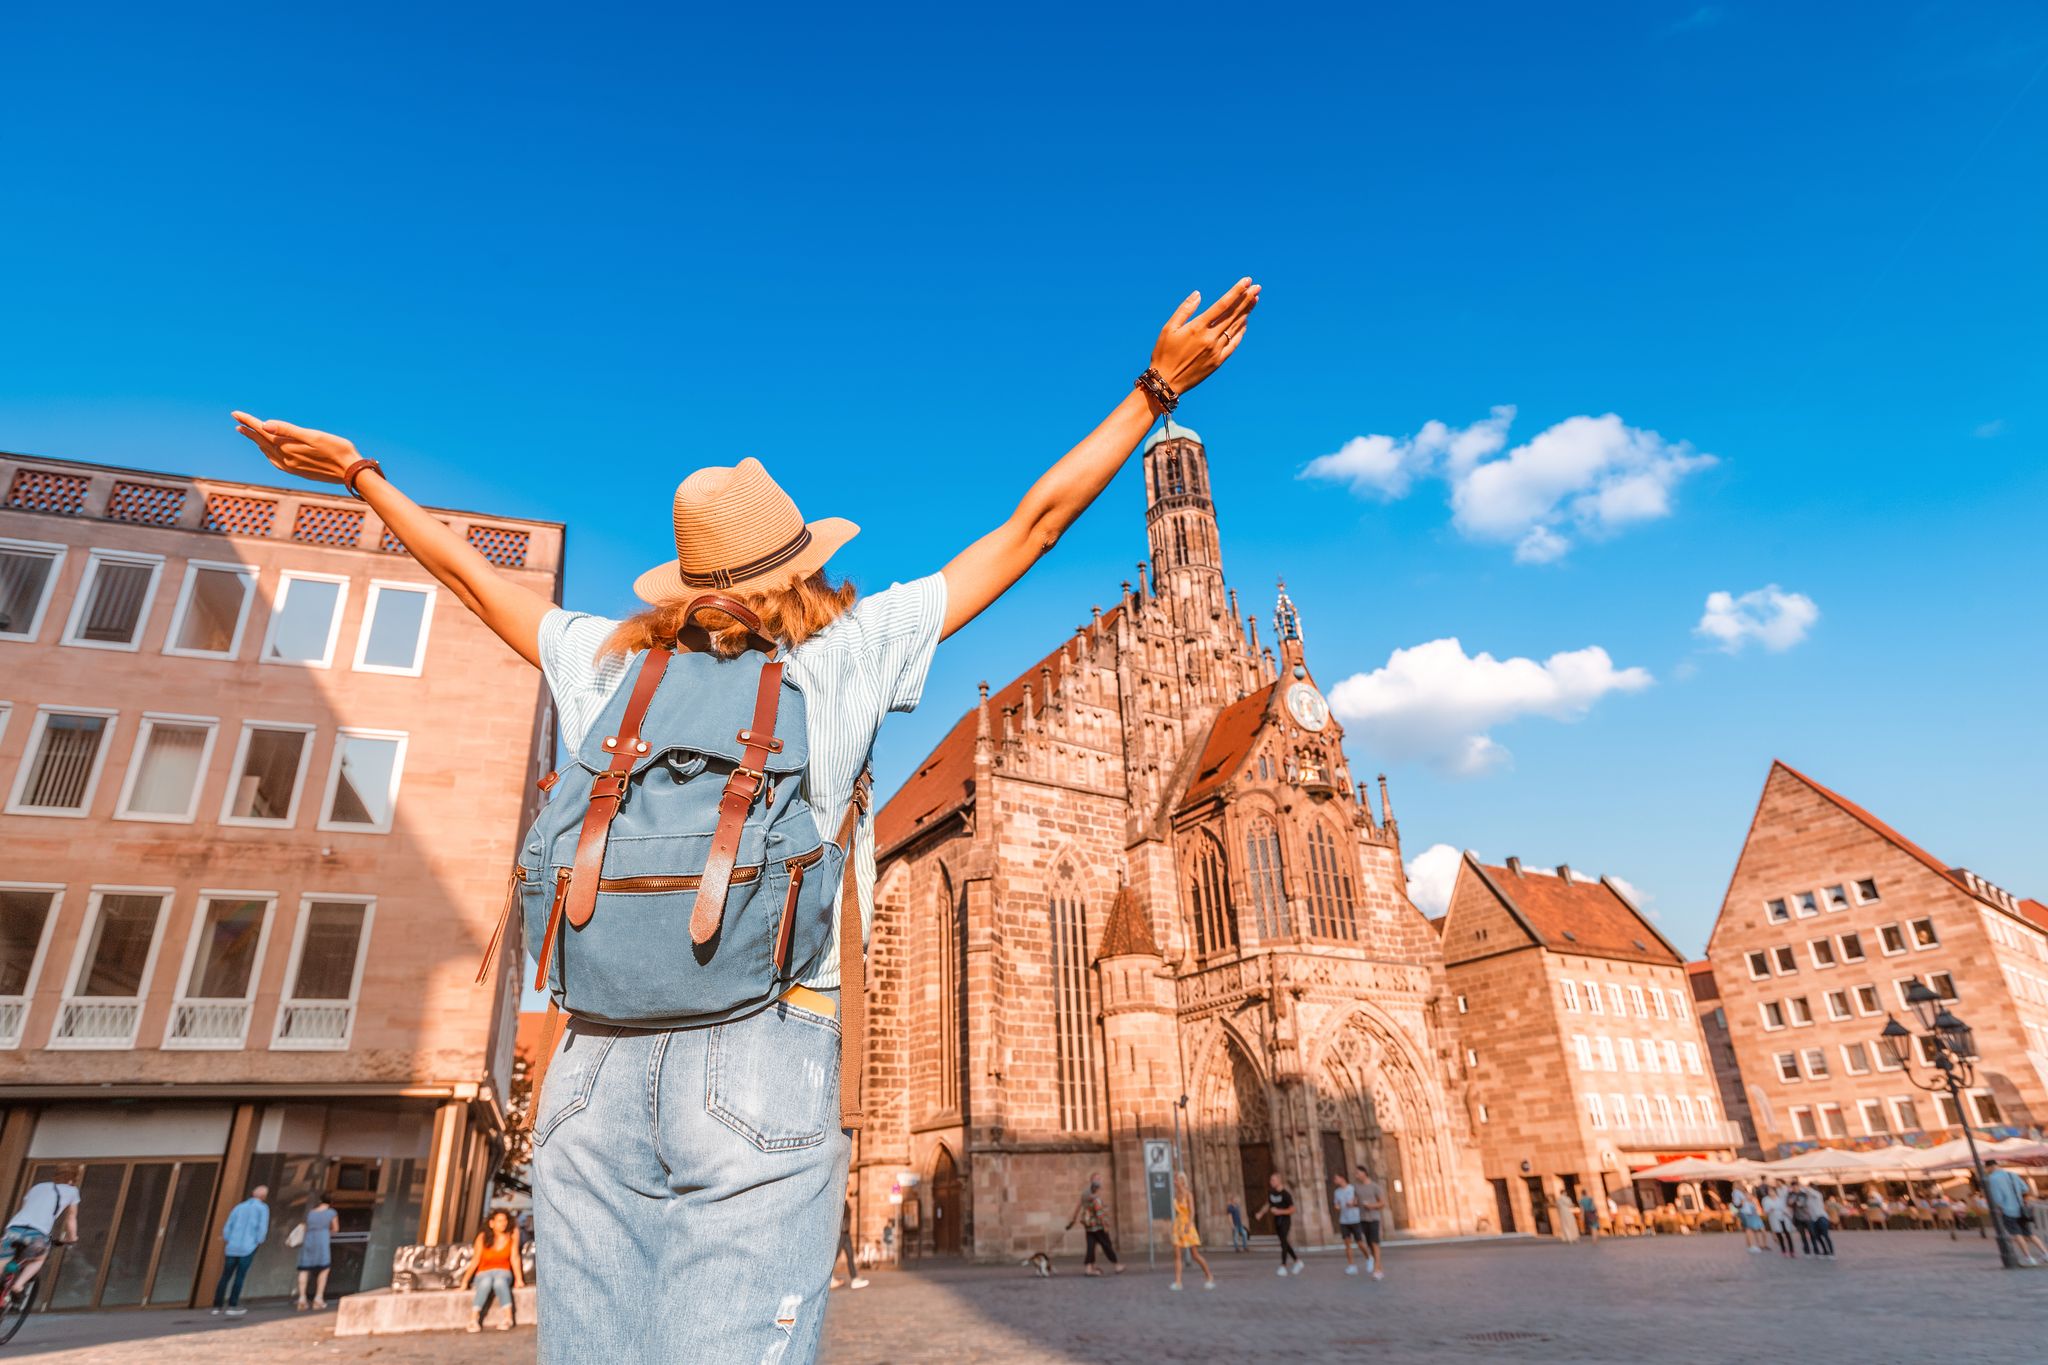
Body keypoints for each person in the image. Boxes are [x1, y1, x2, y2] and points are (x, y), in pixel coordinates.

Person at [235, 278, 1257, 1365]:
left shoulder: (605, 667)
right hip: (759, 1053)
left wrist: (358, 476)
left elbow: (464, 577)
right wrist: (1155, 389)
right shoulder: (843, 654)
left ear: (686, 584)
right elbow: (1034, 525)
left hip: (590, 1070)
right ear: (796, 568)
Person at [1, 1165, 82, 1299]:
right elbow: (71, 1217)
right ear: (73, 1178)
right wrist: (72, 1237)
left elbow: (26, 1208)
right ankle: (18, 1285)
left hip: (14, 1228)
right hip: (37, 1232)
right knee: (39, 1258)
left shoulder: (37, 1187)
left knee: (2, 1259)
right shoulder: (72, 1191)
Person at [460, 1209, 526, 1332]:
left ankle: (508, 1318)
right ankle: (473, 1319)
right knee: (486, 1282)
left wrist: (519, 1279)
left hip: (503, 1272)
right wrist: (465, 1282)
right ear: (492, 1223)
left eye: (505, 1220)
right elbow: (475, 1260)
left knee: (499, 1282)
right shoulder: (483, 1237)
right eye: (499, 1221)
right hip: (484, 1272)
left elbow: (515, 1257)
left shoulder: (512, 1234)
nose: (503, 1223)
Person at [212, 1184, 269, 1317]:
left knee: (225, 1276)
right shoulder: (262, 1208)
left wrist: (229, 1239)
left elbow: (228, 1226)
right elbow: (262, 1228)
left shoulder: (239, 1207)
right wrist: (259, 1241)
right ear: (264, 1196)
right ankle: (232, 1305)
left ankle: (217, 1305)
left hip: (232, 1246)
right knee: (240, 1276)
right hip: (248, 1246)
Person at [1984, 1160, 2048, 1266]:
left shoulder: (1993, 1179)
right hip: (2021, 1210)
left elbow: (1997, 1198)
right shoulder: (2012, 1174)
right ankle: (2045, 1253)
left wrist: (2000, 1206)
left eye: (1987, 1169)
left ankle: (2029, 1257)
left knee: (2017, 1235)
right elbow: (2025, 1188)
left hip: (2008, 1210)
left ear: (1989, 1167)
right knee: (2030, 1234)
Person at [1067, 1174, 1124, 1276]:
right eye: (1098, 1179)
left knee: (1091, 1246)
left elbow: (1079, 1205)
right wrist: (1105, 1225)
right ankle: (1117, 1265)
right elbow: (1099, 1213)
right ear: (1094, 1182)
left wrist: (1073, 1219)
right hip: (1098, 1225)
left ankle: (1089, 1268)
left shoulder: (1085, 1193)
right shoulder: (1095, 1197)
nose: (1100, 1180)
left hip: (1089, 1225)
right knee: (1107, 1244)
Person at [1168, 1174, 1214, 1292]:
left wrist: (1189, 1224)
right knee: (1177, 1255)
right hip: (1178, 1226)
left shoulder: (1188, 1194)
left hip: (1187, 1225)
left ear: (1182, 1181)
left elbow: (1192, 1211)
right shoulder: (1175, 1194)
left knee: (1195, 1255)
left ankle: (1209, 1276)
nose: (1174, 1181)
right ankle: (1178, 1282)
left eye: (1176, 1179)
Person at [295, 1195, 340, 1310]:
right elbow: (335, 1229)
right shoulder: (331, 1212)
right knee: (324, 1269)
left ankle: (302, 1298)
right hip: (322, 1240)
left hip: (309, 1239)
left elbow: (305, 1226)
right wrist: (327, 1231)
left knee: (304, 1269)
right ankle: (318, 1298)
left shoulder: (311, 1212)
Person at [1253, 1172, 1301, 1275]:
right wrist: (1260, 1213)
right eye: (1271, 1180)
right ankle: (1297, 1261)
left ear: (1279, 1181)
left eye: (1273, 1180)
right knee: (1284, 1243)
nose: (1271, 1182)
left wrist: (1280, 1211)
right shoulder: (1271, 1193)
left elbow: (1292, 1209)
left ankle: (1283, 1266)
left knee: (1283, 1242)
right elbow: (1268, 1204)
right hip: (1277, 1220)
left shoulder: (1286, 1194)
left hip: (1285, 1220)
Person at [1353, 1166, 1387, 1280]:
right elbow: (1356, 1201)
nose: (1356, 1175)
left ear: (1364, 1173)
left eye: (1357, 1173)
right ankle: (1379, 1267)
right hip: (1362, 1218)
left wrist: (1371, 1206)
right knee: (1369, 1244)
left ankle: (1377, 1269)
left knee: (1374, 1243)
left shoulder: (1375, 1187)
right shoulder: (1356, 1187)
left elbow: (1382, 1203)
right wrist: (1353, 1203)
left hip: (1373, 1218)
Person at [829, 1200, 869, 1290]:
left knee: (850, 1256)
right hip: (841, 1233)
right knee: (835, 1256)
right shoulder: (840, 1200)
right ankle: (829, 1279)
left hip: (846, 1233)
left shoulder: (846, 1201)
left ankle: (854, 1279)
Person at [1331, 1173, 1364, 1274]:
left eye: (1336, 1178)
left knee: (1359, 1243)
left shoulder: (1352, 1188)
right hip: (1344, 1220)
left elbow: (1359, 1201)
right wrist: (1337, 1206)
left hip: (1355, 1219)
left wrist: (1353, 1203)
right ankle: (1351, 1265)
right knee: (1347, 1244)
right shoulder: (1337, 1192)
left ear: (1342, 1178)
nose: (1334, 1181)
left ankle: (1368, 1257)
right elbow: (1336, 1204)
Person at [1731, 1185, 1766, 1253]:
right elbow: (1737, 1206)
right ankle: (1751, 1246)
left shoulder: (1741, 1196)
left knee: (1750, 1230)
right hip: (1747, 1215)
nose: (1748, 1196)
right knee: (1749, 1230)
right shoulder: (1738, 1196)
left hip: (1750, 1215)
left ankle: (1752, 1246)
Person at [1762, 1184, 1795, 1258]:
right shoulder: (1766, 1200)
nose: (1771, 1192)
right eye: (1769, 1191)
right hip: (1774, 1218)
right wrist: (1769, 1210)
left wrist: (1787, 1212)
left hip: (1783, 1217)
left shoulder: (1780, 1199)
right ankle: (1784, 1251)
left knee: (1787, 1234)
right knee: (1779, 1235)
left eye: (1772, 1191)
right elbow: (1765, 1211)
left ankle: (1792, 1251)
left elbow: (1785, 1207)